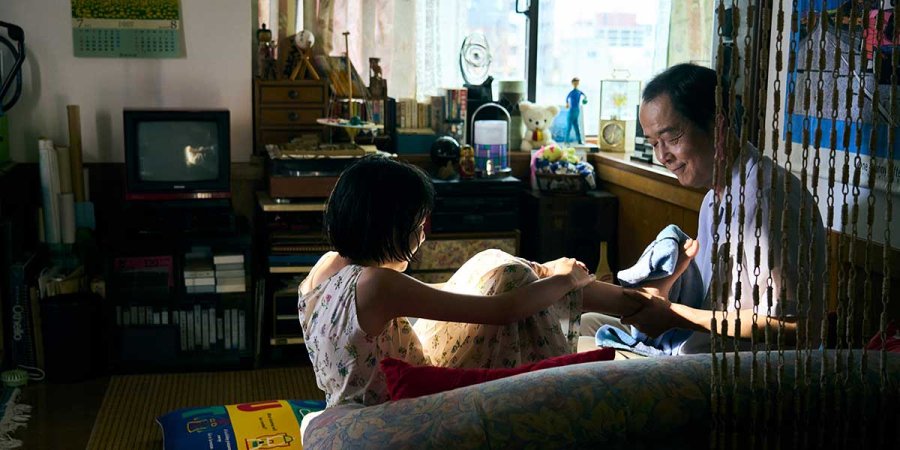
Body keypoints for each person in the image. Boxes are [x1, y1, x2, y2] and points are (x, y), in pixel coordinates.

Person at [298, 155, 693, 407]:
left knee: (497, 266)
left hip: (373, 388)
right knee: (514, 280)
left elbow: (432, 296)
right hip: (406, 399)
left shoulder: (327, 267)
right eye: (418, 226)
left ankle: (636, 302)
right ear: (389, 228)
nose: (422, 236)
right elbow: (503, 311)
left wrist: (542, 271)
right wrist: (568, 278)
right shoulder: (378, 285)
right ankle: (640, 304)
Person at [582, 63, 826, 354]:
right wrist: (664, 287)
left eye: (671, 138)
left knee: (585, 348)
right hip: (699, 347)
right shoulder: (713, 199)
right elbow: (706, 299)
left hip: (739, 367)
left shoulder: (767, 199)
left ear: (717, 126)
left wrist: (675, 315)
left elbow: (796, 326)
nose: (662, 156)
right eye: (654, 143)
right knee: (587, 324)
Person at [565, 77, 587, 144]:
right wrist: (567, 103)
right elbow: (567, 99)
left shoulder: (579, 92)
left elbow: (585, 96)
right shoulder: (572, 92)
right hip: (572, 110)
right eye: (575, 82)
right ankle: (567, 141)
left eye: (577, 82)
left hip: (576, 110)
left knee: (575, 126)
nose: (576, 84)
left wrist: (584, 100)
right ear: (572, 83)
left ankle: (578, 141)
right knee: (570, 126)